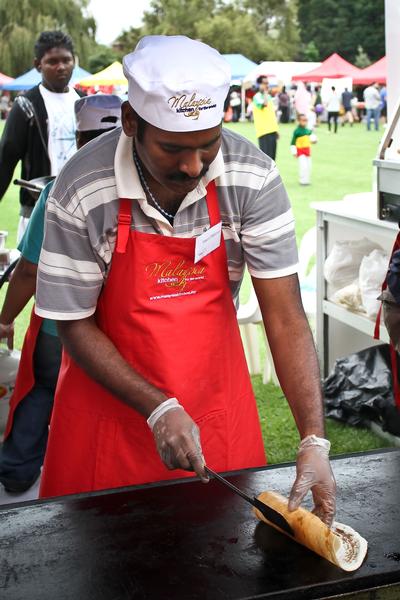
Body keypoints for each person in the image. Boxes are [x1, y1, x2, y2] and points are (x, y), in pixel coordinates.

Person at [35, 35, 336, 527]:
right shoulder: (81, 187)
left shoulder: (252, 177)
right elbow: (73, 322)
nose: (194, 167)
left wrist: (313, 438)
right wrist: (156, 407)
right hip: (106, 419)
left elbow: (284, 315)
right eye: (173, 148)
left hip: (216, 409)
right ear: (131, 123)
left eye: (208, 145)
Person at [0, 94, 122, 494]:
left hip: (61, 329)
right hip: (121, 335)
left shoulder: (60, 188)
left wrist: (3, 319)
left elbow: (29, 269)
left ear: (80, 137)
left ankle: (18, 472)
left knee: (40, 393)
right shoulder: (150, 189)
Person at [0, 30, 83, 242]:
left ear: (74, 61)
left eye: (66, 60)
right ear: (38, 65)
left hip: (81, 214)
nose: (61, 67)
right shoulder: (26, 106)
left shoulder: (85, 103)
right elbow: (5, 162)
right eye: (52, 61)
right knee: (32, 275)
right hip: (37, 213)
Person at [252, 76, 279, 160]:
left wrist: (276, 130)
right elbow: (264, 104)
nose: (267, 85)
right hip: (263, 132)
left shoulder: (269, 97)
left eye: (267, 83)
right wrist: (266, 93)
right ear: (259, 84)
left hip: (272, 130)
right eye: (264, 83)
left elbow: (271, 114)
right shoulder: (257, 97)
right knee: (266, 159)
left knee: (273, 158)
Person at [290, 113, 317, 185]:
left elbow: (312, 139)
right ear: (299, 121)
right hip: (300, 152)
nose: (305, 121)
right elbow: (292, 143)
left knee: (309, 166)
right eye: (303, 120)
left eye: (306, 120)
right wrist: (294, 152)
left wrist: (314, 140)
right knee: (303, 166)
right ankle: (302, 180)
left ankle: (307, 180)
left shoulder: (308, 130)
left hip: (307, 151)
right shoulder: (297, 131)